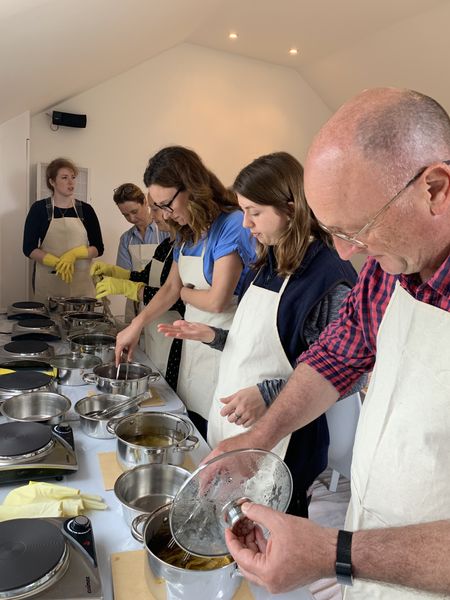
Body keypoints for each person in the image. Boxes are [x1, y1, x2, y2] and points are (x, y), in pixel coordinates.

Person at [204, 88, 450, 599]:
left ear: (435, 189)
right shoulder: (392, 270)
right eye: (333, 231)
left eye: (357, 229)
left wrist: (335, 553)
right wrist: (261, 437)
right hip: (378, 555)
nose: (344, 252)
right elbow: (335, 358)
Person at [158, 151, 359, 517]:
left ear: (291, 206)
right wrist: (212, 336)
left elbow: (348, 377)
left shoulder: (329, 276)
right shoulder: (270, 259)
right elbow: (257, 344)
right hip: (238, 429)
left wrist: (268, 394)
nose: (246, 224)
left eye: (255, 212)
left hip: (286, 444)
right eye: (243, 210)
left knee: (272, 540)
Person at [114, 146, 255, 436]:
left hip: (225, 346)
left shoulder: (230, 225)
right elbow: (170, 288)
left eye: (166, 204)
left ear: (191, 188)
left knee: (221, 432)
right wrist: (136, 325)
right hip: (194, 348)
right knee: (193, 425)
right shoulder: (187, 232)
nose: (164, 214)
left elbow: (217, 300)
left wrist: (186, 293)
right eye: (158, 206)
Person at [91, 195, 185, 390]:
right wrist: (118, 273)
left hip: (173, 332)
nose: (155, 216)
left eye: (156, 209)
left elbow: (175, 298)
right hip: (154, 328)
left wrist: (129, 288)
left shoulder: (184, 248)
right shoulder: (164, 246)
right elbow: (145, 276)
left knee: (168, 389)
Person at [23, 157, 104, 302]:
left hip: (82, 287)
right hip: (50, 283)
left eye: (73, 177)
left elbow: (98, 248)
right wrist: (55, 262)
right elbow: (28, 248)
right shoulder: (39, 209)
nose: (71, 182)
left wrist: (74, 254)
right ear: (52, 182)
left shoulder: (86, 210)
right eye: (64, 177)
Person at [113, 182, 168, 322]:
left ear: (145, 202)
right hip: (134, 301)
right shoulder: (126, 239)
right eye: (125, 215)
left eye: (134, 212)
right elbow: (124, 274)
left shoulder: (165, 232)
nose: (131, 218)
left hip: (162, 300)